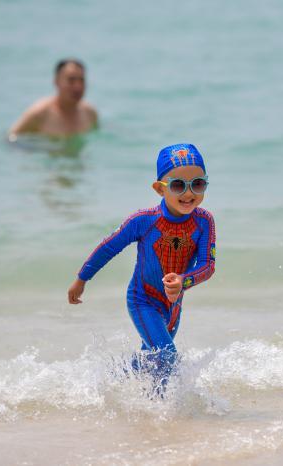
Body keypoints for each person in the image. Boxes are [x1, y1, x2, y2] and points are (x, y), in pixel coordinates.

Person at [67, 143, 216, 391]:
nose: (189, 193)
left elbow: (208, 266)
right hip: (143, 300)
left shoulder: (204, 222)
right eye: (179, 185)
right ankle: (162, 414)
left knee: (152, 364)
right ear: (160, 189)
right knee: (167, 355)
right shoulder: (143, 221)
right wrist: (82, 279)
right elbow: (108, 247)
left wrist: (184, 281)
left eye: (198, 184)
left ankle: (109, 380)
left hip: (173, 305)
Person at [9, 59, 98, 140]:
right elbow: (11, 138)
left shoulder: (90, 113)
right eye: (71, 80)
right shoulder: (39, 113)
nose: (77, 87)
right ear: (56, 81)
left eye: (81, 80)